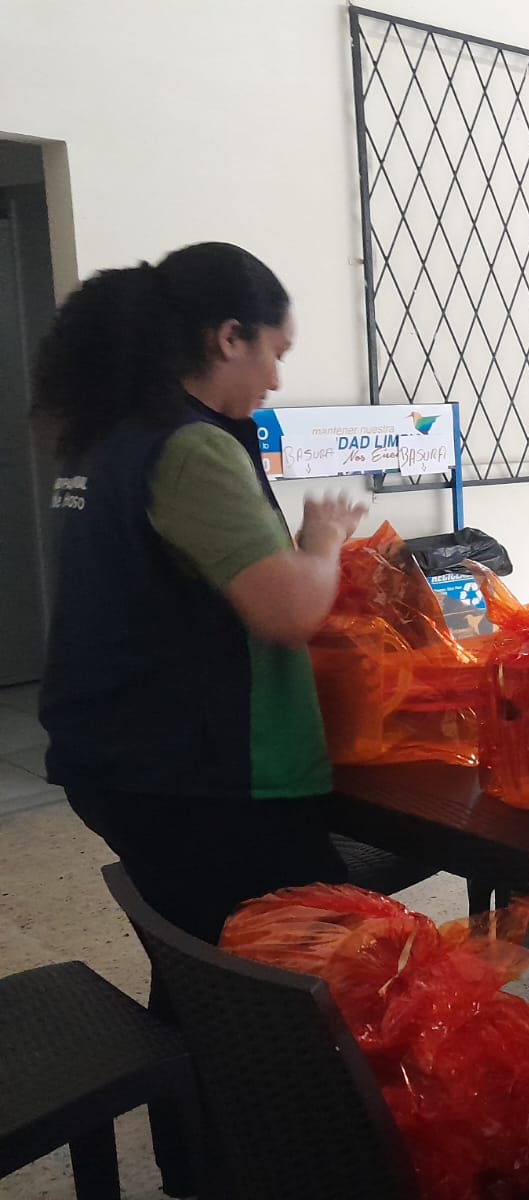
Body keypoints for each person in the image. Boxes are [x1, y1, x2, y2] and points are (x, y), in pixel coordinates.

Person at [33, 243, 365, 945]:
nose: (276, 378)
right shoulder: (192, 447)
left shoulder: (106, 439)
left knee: (202, 947)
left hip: (115, 756)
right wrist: (324, 539)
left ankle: (198, 1014)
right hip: (195, 772)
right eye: (275, 352)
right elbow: (289, 610)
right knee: (314, 958)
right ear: (229, 337)